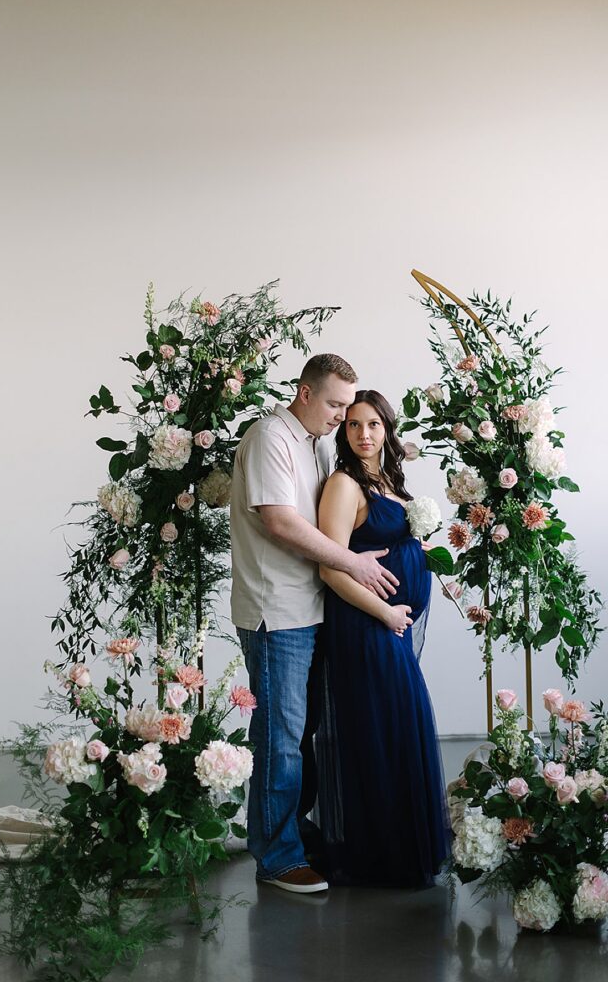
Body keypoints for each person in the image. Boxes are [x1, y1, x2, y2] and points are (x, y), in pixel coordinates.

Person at [230, 356, 400, 894]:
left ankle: (290, 831)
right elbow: (280, 522)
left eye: (349, 407)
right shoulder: (270, 438)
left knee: (302, 734)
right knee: (279, 738)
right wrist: (353, 564)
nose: (342, 417)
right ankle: (276, 858)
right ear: (304, 393)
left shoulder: (316, 441)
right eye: (334, 405)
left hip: (313, 608)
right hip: (274, 612)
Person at [316, 389, 452, 887]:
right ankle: (380, 856)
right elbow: (331, 568)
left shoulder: (388, 480)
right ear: (343, 432)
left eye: (372, 424)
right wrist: (386, 613)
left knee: (398, 726)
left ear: (386, 428)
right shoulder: (344, 484)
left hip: (391, 623)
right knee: (381, 729)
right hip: (366, 624)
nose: (363, 434)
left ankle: (401, 849)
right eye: (353, 425)